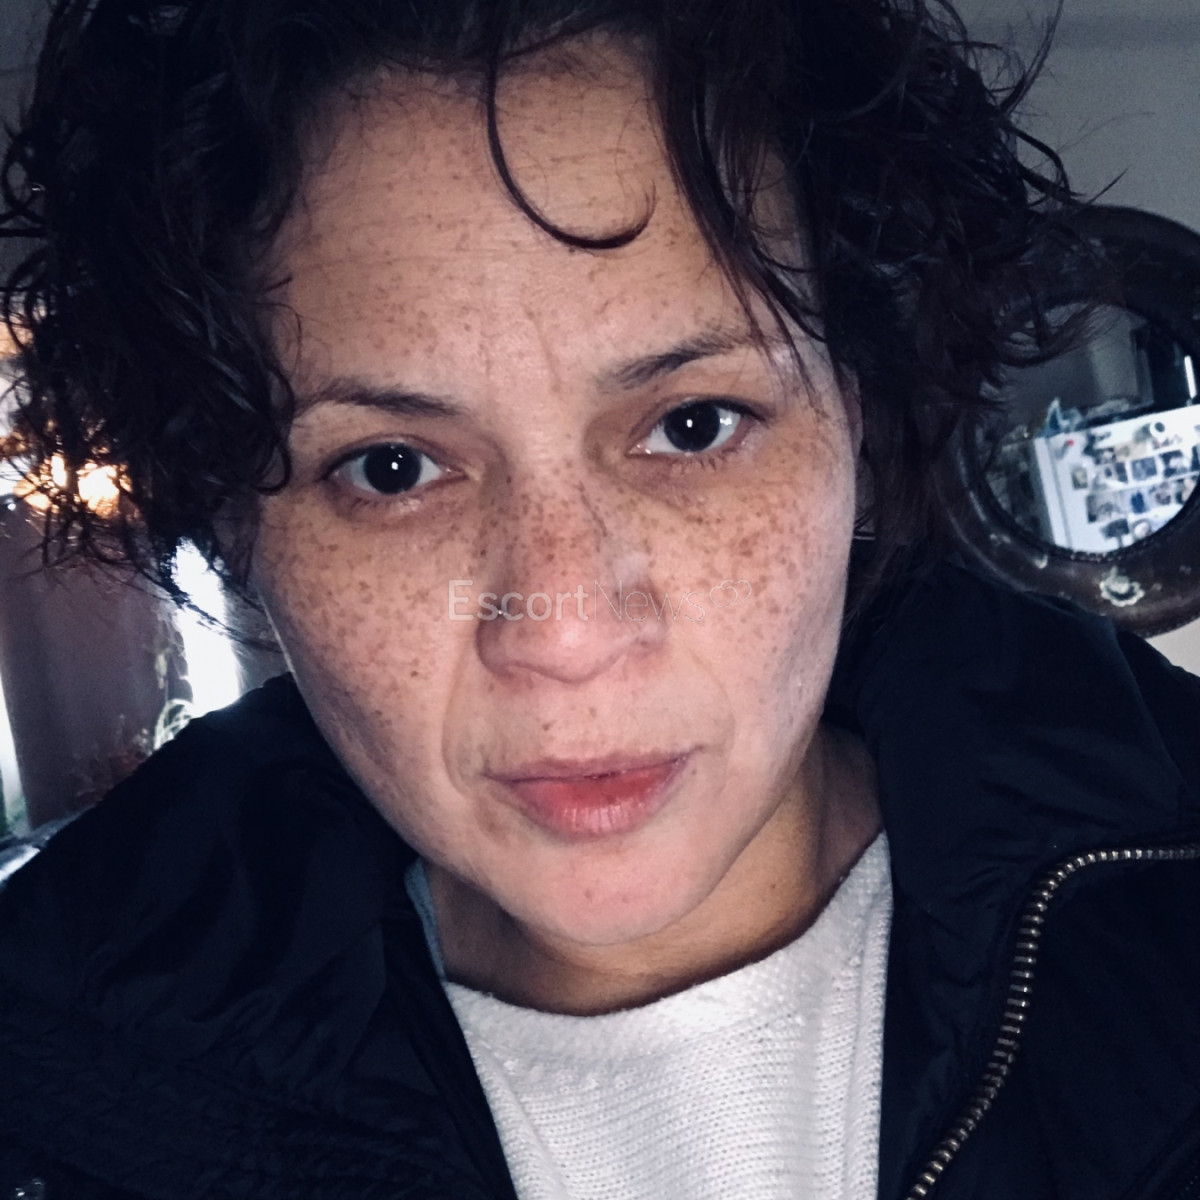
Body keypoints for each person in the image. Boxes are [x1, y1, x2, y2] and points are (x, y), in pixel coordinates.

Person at [0, 0, 1196, 1197]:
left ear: (858, 423)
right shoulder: (55, 1106)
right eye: (392, 468)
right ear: (238, 524)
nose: (566, 631)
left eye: (694, 425)